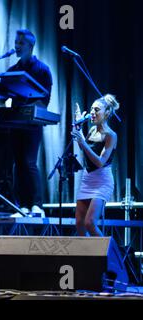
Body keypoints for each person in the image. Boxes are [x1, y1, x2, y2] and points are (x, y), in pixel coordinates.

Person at [7, 29, 53, 217]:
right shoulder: (12, 71)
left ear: (30, 46)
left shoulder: (42, 70)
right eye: (16, 42)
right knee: (17, 164)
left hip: (32, 123)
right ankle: (22, 205)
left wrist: (26, 109)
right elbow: (4, 94)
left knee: (29, 162)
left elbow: (44, 100)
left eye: (20, 43)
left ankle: (37, 205)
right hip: (16, 123)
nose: (16, 46)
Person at [71, 94, 119, 236]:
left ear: (107, 113)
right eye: (91, 109)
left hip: (102, 181)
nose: (92, 112)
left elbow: (99, 162)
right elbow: (83, 148)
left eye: (97, 109)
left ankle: (109, 255)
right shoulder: (92, 130)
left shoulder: (110, 135)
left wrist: (83, 142)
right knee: (79, 224)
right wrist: (78, 127)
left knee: (90, 223)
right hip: (88, 179)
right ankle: (88, 256)